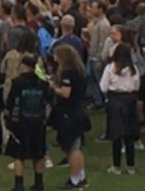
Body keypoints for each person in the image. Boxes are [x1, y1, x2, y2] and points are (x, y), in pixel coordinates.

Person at [5, 53, 50, 191]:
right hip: (38, 121)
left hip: (21, 122)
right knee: (38, 152)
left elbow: (10, 102)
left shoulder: (17, 82)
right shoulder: (42, 83)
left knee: (19, 154)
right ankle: (39, 182)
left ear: (23, 65)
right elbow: (48, 101)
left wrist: (8, 119)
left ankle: (19, 184)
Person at [50, 44, 91, 189]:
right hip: (78, 110)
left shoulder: (67, 73)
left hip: (69, 113)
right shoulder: (79, 71)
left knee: (72, 148)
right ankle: (81, 176)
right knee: (76, 146)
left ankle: (74, 179)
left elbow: (65, 93)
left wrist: (53, 87)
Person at [101, 42, 141, 175]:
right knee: (129, 134)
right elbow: (137, 86)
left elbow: (103, 87)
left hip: (115, 100)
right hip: (130, 100)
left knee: (116, 134)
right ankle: (131, 166)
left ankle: (116, 166)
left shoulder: (110, 68)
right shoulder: (134, 69)